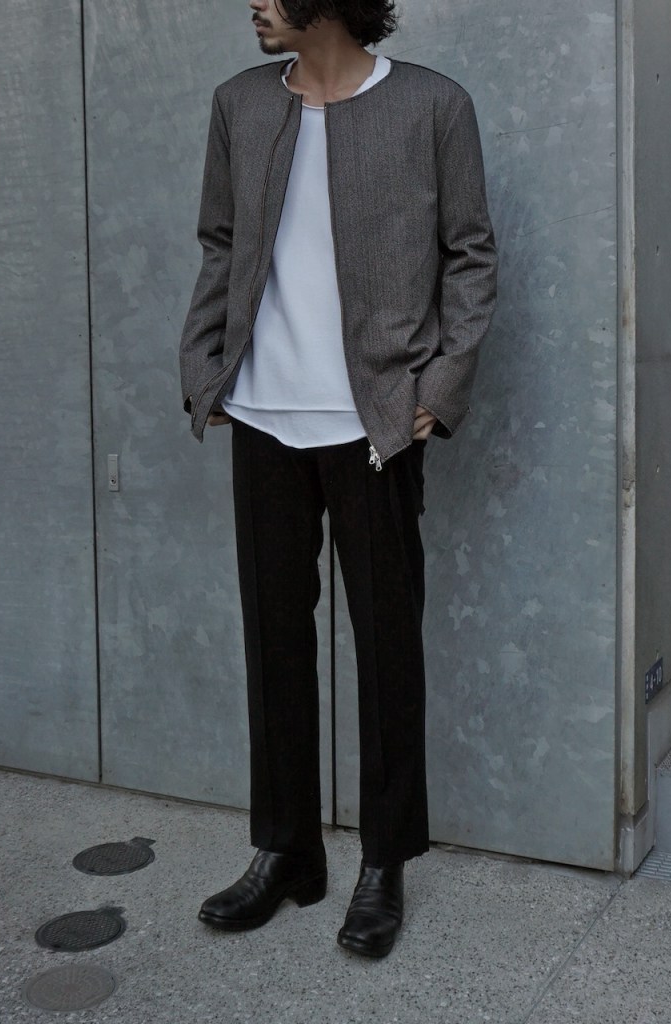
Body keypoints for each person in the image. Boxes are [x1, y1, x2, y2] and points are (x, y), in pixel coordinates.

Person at [179, 0, 497, 958]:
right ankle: (286, 852)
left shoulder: (432, 106)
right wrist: (206, 367)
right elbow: (220, 242)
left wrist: (438, 388)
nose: (255, 3)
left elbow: (471, 255)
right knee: (274, 641)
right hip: (262, 414)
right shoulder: (240, 104)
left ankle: (383, 863)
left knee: (387, 646)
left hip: (376, 422)